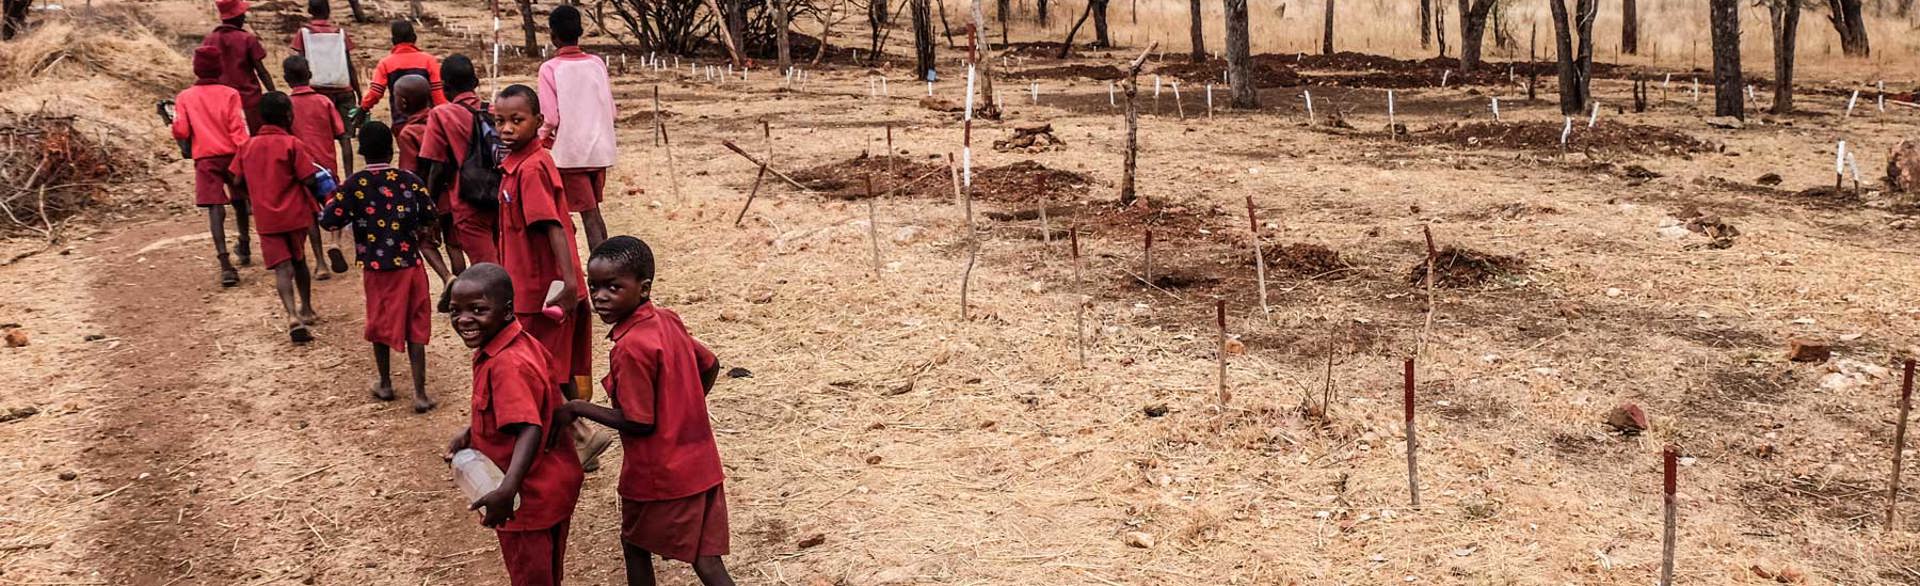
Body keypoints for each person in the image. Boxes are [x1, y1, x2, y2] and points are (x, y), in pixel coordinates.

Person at [557, 236, 735, 586]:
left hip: (661, 475)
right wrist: (685, 407)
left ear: (644, 288)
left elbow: (638, 422)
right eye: (594, 287)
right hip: (701, 465)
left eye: (613, 287)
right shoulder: (667, 320)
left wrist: (577, 407)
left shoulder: (631, 347)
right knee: (706, 560)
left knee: (635, 543)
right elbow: (710, 364)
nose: (600, 297)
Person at [491, 84, 613, 471]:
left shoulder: (530, 169)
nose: (507, 129)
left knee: (539, 367)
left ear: (538, 122)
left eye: (516, 120)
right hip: (536, 285)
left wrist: (569, 283)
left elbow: (554, 228)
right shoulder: (521, 164)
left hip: (541, 291)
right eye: (499, 121)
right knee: (554, 366)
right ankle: (574, 443)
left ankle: (581, 435)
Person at [444, 263, 584, 586]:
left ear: (507, 311)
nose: (464, 320)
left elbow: (529, 428)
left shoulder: (505, 363)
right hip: (552, 486)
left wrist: (507, 490)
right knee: (547, 574)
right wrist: (473, 432)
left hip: (527, 497)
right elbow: (527, 406)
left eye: (478, 310)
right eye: (455, 310)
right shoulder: (518, 343)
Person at [319, 122, 446, 412]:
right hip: (410, 264)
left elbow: (329, 219)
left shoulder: (355, 184)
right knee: (416, 324)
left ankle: (385, 382)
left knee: (378, 323)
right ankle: (420, 393)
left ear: (362, 151)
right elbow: (430, 214)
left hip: (376, 267)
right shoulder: (409, 179)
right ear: (392, 149)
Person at [229, 92, 323, 343]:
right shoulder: (293, 144)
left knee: (282, 268)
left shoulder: (247, 146)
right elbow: (308, 178)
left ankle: (292, 315)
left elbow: (235, 179)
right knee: (299, 260)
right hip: (295, 213)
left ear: (260, 117)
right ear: (289, 116)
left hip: (266, 217)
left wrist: (253, 195)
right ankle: (307, 308)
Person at [172, 45, 254, 288]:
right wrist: (243, 157)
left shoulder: (185, 97)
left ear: (196, 69)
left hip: (205, 158)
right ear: (219, 68)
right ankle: (245, 243)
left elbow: (182, 130)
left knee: (215, 209)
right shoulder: (230, 93)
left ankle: (225, 264)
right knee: (240, 200)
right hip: (232, 155)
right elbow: (239, 129)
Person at [535, 5, 616, 250]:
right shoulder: (596, 63)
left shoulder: (550, 68)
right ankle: (610, 263)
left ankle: (601, 274)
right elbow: (611, 110)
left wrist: (538, 139)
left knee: (588, 216)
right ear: (579, 32)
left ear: (553, 36)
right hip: (600, 150)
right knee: (594, 212)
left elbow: (550, 117)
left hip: (572, 155)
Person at [418, 55, 495, 272]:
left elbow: (437, 166)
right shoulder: (493, 111)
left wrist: (429, 207)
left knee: (485, 265)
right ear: (476, 82)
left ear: (444, 87)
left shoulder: (442, 115)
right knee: (506, 256)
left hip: (467, 198)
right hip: (500, 195)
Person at [284, 55, 352, 279]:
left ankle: (321, 263)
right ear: (310, 74)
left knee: (310, 214)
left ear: (285, 78)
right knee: (335, 206)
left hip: (301, 169)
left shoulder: (286, 106)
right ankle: (335, 242)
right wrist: (348, 170)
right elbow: (342, 136)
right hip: (327, 166)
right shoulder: (324, 102)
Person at [289, 0, 362, 158]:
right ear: (328, 11)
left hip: (317, 93)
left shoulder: (303, 33)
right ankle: (349, 175)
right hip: (344, 89)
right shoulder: (340, 33)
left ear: (310, 11)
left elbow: (300, 63)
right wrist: (358, 92)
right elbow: (349, 65)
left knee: (319, 136)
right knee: (346, 138)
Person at [200, 0, 276, 133]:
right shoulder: (247, 39)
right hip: (249, 102)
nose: (244, 16)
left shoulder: (209, 40)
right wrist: (274, 93)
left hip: (220, 101)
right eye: (242, 14)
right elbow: (261, 71)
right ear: (238, 16)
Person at [354, 19, 445, 125]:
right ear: (414, 38)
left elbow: (375, 92)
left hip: (401, 121)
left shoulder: (385, 63)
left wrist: (363, 108)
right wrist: (443, 115)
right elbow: (437, 93)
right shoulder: (429, 61)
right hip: (427, 121)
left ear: (393, 41)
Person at [391, 74, 434, 172]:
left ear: (403, 102)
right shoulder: (438, 121)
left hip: (423, 184)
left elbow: (409, 171)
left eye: (395, 96)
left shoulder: (409, 133)